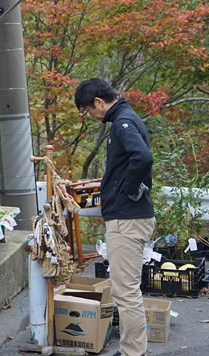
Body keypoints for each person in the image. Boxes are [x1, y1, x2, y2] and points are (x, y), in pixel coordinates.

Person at [74, 78, 154, 356]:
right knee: (125, 288)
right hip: (129, 215)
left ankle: (133, 352)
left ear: (99, 102)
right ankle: (133, 349)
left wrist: (126, 189)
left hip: (128, 218)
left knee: (125, 291)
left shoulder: (122, 123)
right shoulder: (125, 119)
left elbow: (143, 158)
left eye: (88, 110)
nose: (91, 116)